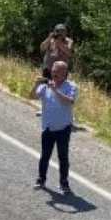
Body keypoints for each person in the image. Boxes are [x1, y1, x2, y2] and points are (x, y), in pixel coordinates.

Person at [32, 61, 77, 195]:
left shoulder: (71, 86)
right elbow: (32, 96)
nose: (54, 73)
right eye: (53, 70)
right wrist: (35, 85)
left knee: (63, 156)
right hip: (47, 126)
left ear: (65, 73)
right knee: (45, 154)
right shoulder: (45, 85)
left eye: (58, 71)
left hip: (63, 128)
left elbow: (69, 102)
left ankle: (64, 183)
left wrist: (55, 90)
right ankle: (41, 179)